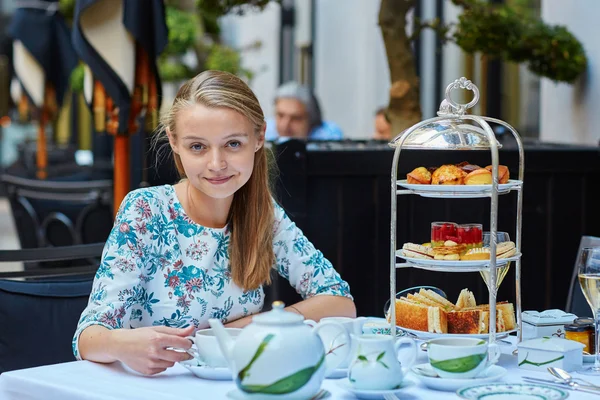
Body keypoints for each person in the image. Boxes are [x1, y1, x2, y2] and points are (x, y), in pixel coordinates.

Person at [73, 70, 356, 376]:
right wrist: (122, 345)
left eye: (233, 144)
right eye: (198, 147)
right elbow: (88, 337)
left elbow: (340, 302)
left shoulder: (263, 214)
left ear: (259, 138)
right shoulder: (146, 210)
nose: (216, 164)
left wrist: (236, 331)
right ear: (174, 142)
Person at [265, 81, 343, 141]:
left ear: (311, 120)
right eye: (280, 115)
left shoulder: (329, 137)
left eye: (295, 118)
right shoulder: (264, 132)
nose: (284, 126)